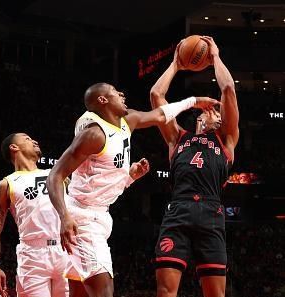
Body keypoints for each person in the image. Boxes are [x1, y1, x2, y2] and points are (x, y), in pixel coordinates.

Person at [46, 82, 220, 297]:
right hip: (81, 219)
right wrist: (64, 217)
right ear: (103, 100)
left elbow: (160, 114)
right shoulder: (93, 135)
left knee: (79, 293)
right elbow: (55, 176)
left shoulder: (127, 122)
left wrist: (129, 176)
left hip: (99, 214)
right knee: (104, 292)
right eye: (114, 92)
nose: (121, 93)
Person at [150, 36, 239, 297]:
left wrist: (215, 57)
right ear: (199, 116)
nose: (214, 112)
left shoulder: (226, 139)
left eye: (218, 112)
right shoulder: (178, 137)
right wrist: (176, 64)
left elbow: (229, 90)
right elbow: (156, 95)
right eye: (209, 110)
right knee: (165, 292)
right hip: (178, 210)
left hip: (212, 213)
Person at [0, 133, 70, 297]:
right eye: (27, 139)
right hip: (32, 256)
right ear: (13, 147)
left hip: (66, 249)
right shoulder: (6, 185)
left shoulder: (58, 175)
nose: (34, 140)